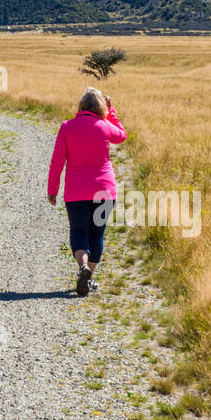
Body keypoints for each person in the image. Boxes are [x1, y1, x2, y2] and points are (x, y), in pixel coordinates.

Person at [47, 87, 127, 297]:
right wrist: (111, 113)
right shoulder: (104, 126)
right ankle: (89, 276)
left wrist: (52, 189)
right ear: (101, 107)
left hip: (76, 192)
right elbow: (121, 136)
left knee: (79, 232)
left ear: (80, 106)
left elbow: (57, 162)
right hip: (104, 191)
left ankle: (83, 268)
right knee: (96, 233)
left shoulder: (67, 127)